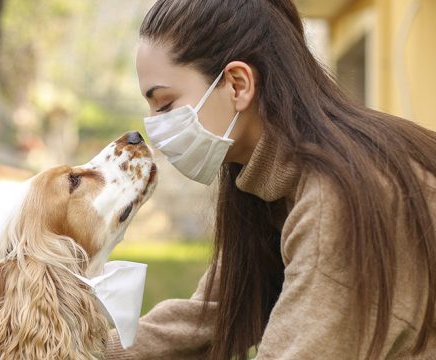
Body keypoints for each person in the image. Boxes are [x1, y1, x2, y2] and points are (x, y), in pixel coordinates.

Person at [104, 0, 436, 359]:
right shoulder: (266, 181)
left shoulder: (335, 199)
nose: (154, 128)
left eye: (165, 105)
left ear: (237, 84)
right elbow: (210, 314)